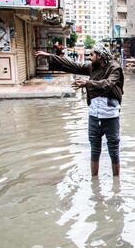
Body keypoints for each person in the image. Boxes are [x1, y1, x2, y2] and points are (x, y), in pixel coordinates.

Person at [34, 44, 124, 177]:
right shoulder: (92, 67)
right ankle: (95, 181)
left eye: (92, 54)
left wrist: (87, 83)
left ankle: (117, 182)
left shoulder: (114, 68)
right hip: (94, 114)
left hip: (110, 115)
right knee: (94, 149)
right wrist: (51, 57)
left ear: (100, 56)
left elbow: (108, 84)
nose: (89, 57)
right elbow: (73, 65)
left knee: (113, 150)